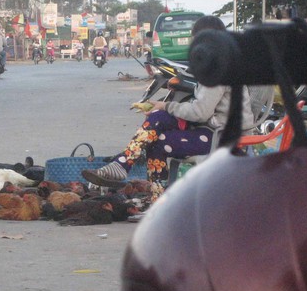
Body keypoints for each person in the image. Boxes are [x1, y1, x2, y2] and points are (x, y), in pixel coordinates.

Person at [82, 15, 255, 200]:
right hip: (212, 129)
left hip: (225, 138)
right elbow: (202, 109)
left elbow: (200, 112)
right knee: (159, 118)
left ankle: (136, 178)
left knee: (160, 140)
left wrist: (167, 105)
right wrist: (163, 108)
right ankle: (130, 173)